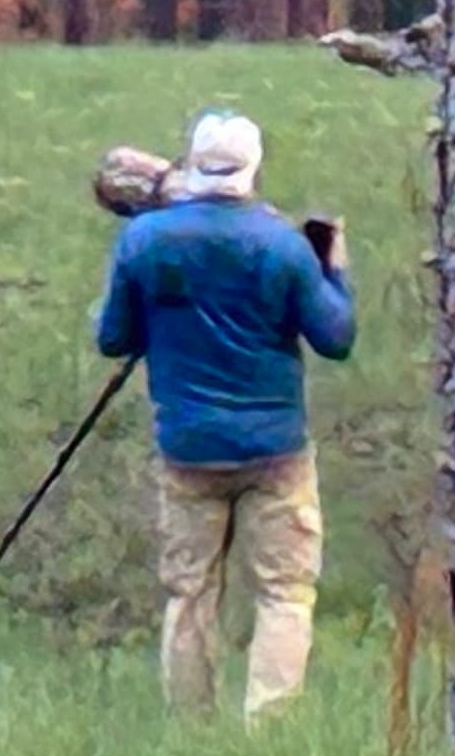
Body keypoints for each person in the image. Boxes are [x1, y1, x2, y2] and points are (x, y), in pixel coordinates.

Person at [94, 112, 354, 719]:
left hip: (188, 449)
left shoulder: (146, 240)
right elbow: (336, 337)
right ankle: (271, 726)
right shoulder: (283, 247)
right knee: (284, 592)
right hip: (276, 452)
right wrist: (334, 268)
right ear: (252, 169)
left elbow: (114, 338)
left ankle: (191, 727)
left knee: (189, 593)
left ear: (190, 165)